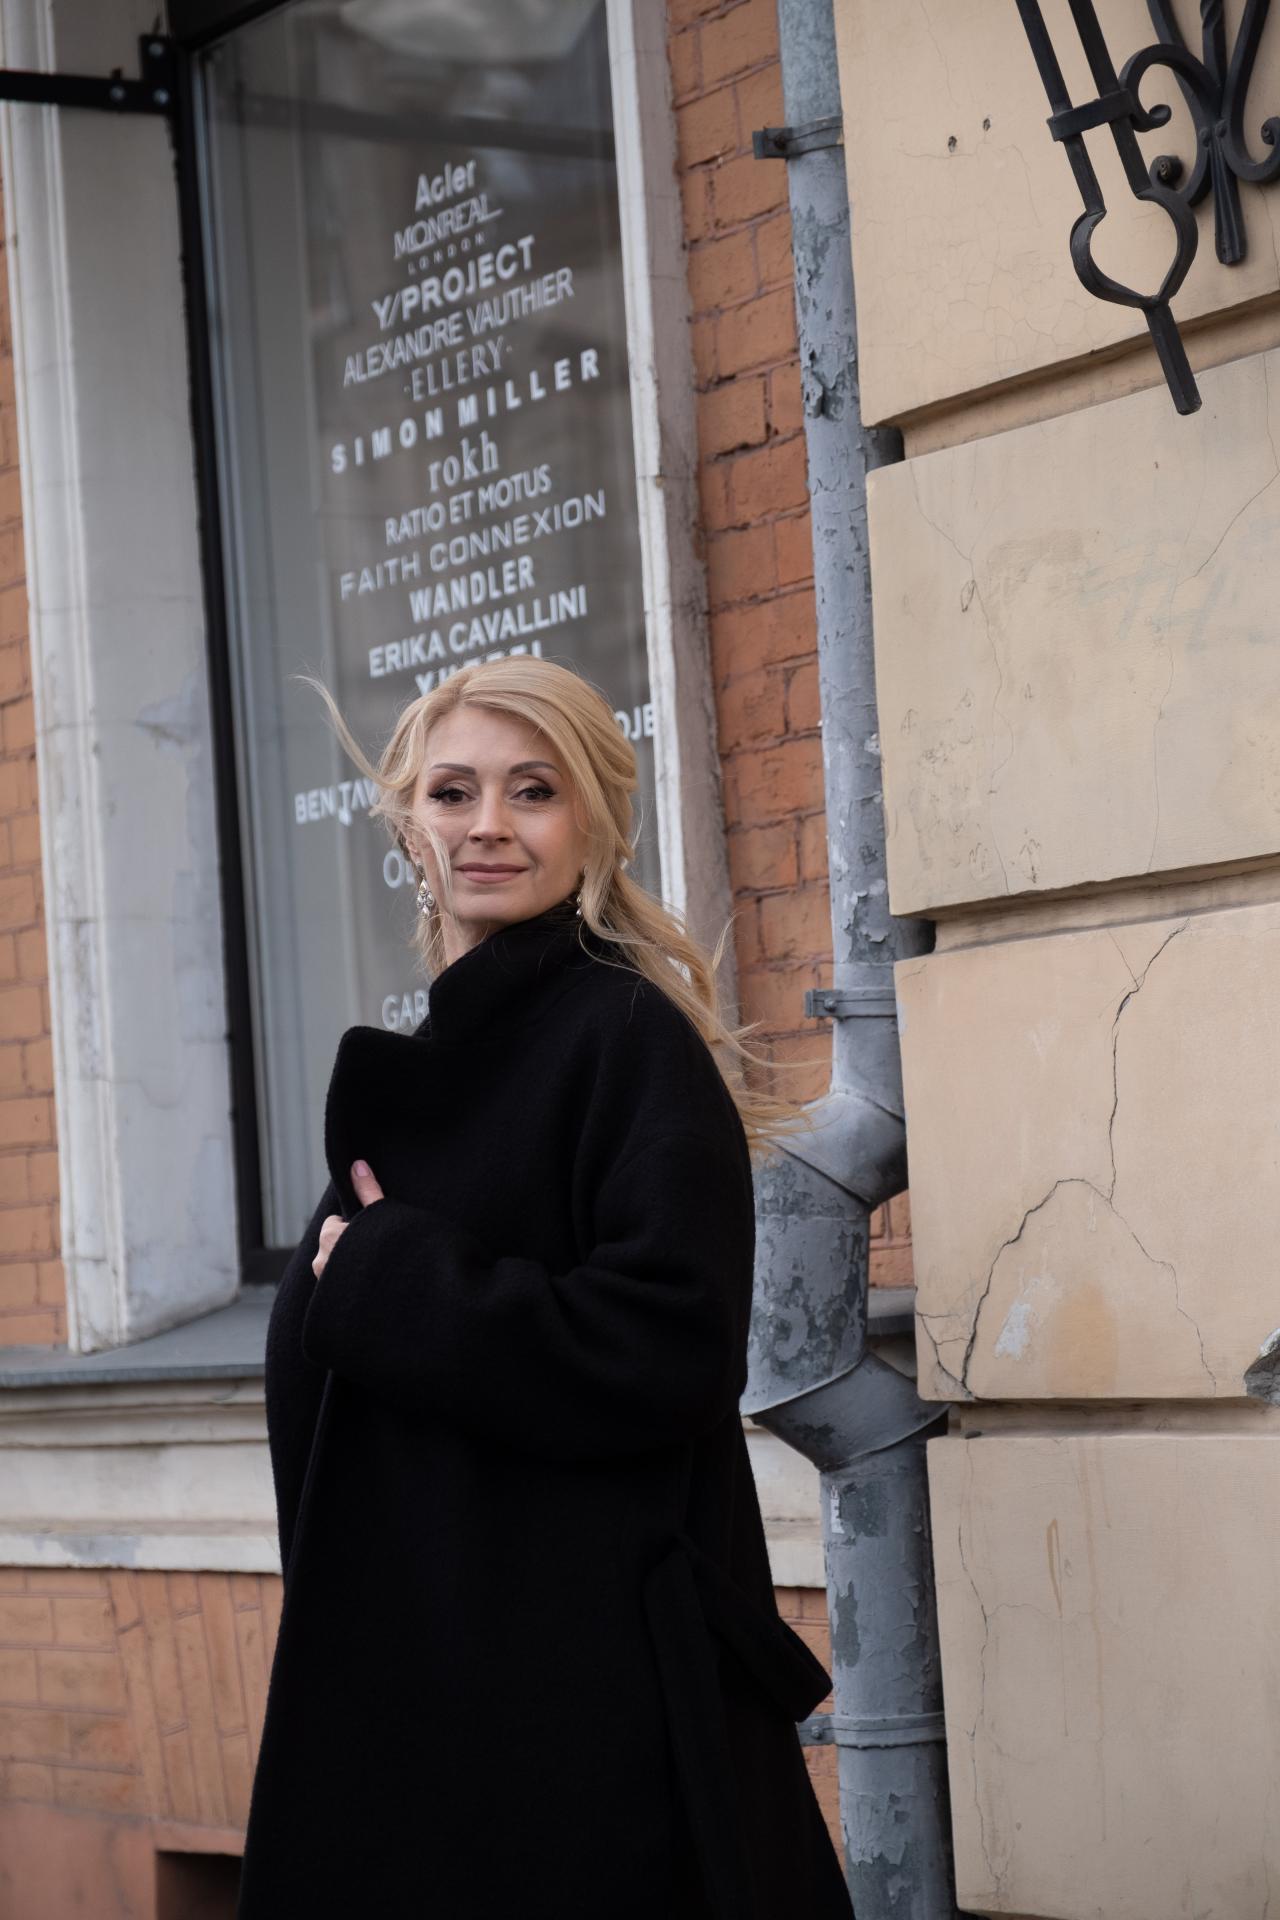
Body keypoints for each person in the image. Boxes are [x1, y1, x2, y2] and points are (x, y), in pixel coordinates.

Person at [236, 655, 855, 1920]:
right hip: (430, 1686)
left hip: (577, 1706)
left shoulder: (624, 1038)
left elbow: (671, 1344)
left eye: (532, 791)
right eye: (451, 792)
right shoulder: (438, 1058)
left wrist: (395, 1278)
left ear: (592, 825)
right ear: (407, 828)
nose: (487, 825)